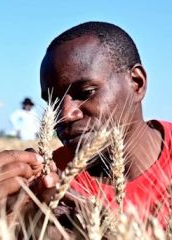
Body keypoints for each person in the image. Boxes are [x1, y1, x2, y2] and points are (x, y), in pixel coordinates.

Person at [39, 21, 172, 226]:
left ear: (137, 84)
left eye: (85, 93)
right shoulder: (48, 181)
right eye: (53, 102)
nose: (64, 115)